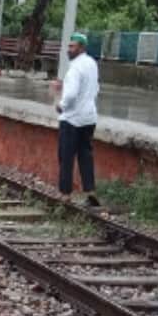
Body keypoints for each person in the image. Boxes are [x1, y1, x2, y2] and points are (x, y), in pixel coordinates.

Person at [56, 32, 99, 207]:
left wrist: (62, 105)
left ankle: (65, 195)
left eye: (72, 46)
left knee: (66, 157)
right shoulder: (92, 64)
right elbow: (96, 88)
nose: (69, 49)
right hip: (89, 118)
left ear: (81, 47)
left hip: (72, 119)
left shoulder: (75, 68)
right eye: (69, 46)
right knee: (85, 155)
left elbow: (71, 94)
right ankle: (90, 191)